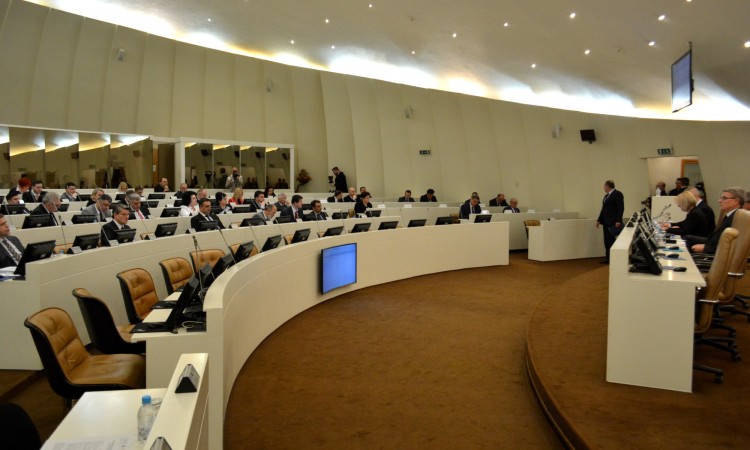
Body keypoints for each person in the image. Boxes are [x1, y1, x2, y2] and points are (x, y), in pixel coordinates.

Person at [688, 187, 744, 254]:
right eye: (721, 198)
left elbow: (732, 245)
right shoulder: (731, 215)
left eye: (724, 198)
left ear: (736, 201)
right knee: (688, 238)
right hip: (712, 245)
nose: (719, 200)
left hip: (716, 254)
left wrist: (706, 248)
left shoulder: (737, 218)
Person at [596, 180, 624, 264]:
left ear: (608, 186)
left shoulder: (617, 194)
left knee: (611, 241)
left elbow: (620, 208)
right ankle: (608, 258)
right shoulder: (606, 196)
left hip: (613, 222)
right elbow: (603, 209)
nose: (604, 188)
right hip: (606, 222)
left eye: (604, 186)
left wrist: (618, 220)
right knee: (606, 241)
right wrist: (599, 220)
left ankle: (613, 259)